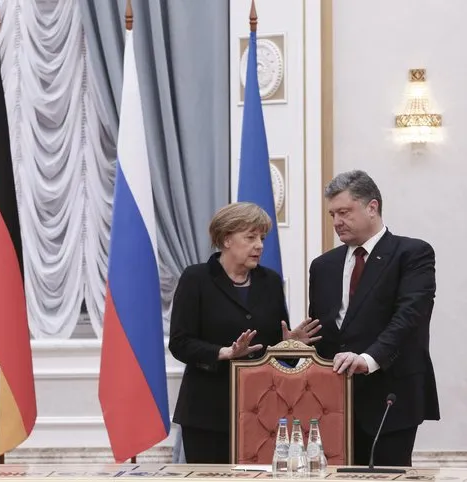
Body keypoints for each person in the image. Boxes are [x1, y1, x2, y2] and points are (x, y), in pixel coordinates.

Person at [169, 202, 322, 464]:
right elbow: (180, 342)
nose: (260, 245)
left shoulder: (270, 282)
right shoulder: (196, 278)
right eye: (251, 237)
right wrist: (222, 353)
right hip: (208, 409)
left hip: (263, 408)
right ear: (227, 239)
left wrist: (288, 345)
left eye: (262, 238)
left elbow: (273, 344)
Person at [309, 170, 440, 467]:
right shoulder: (322, 265)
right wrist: (299, 344)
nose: (337, 221)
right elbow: (325, 328)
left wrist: (368, 360)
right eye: (332, 214)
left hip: (390, 396)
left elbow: (410, 317)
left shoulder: (412, 254)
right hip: (333, 402)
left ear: (372, 207)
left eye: (344, 212)